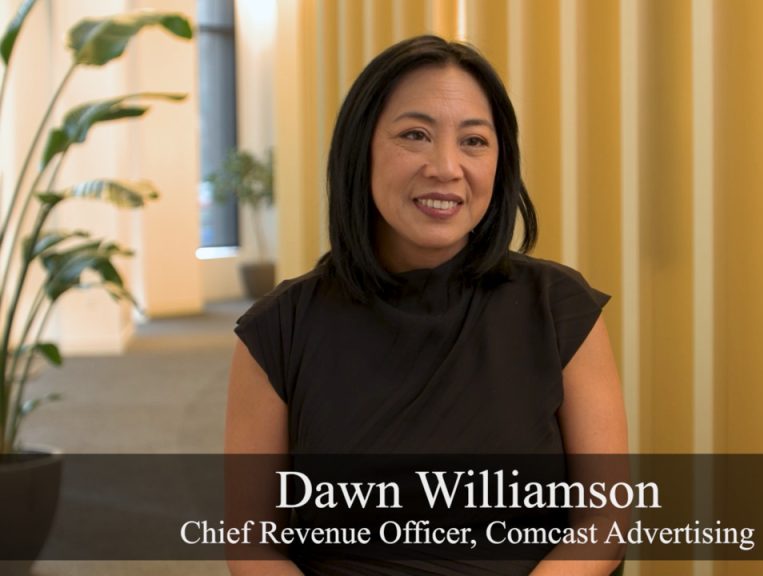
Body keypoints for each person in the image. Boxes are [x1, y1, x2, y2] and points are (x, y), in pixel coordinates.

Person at [225, 35, 627, 575]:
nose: (446, 167)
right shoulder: (278, 329)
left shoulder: (558, 309)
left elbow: (604, 522)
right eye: (415, 135)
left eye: (474, 141)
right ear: (361, 149)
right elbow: (252, 543)